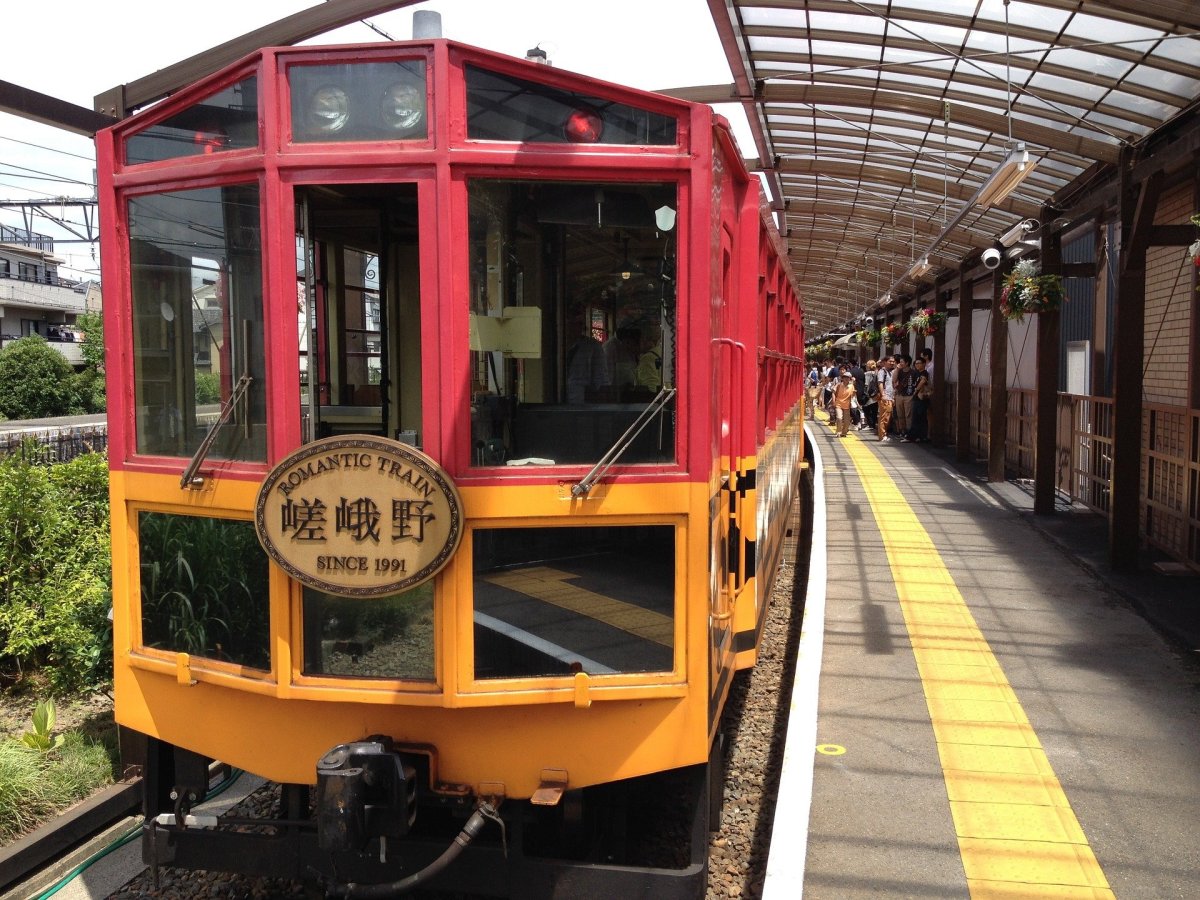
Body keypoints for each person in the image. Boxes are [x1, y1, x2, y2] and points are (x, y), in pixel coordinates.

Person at [565, 312, 606, 403]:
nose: (572, 328)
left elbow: (599, 377)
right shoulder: (556, 345)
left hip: (581, 400)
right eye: (570, 324)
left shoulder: (592, 346)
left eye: (578, 324)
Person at [907, 357, 931, 443]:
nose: (917, 365)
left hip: (921, 397)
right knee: (916, 417)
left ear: (924, 364)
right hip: (916, 397)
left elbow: (923, 381)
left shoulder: (924, 373)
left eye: (919, 363)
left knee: (921, 417)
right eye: (916, 364)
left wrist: (916, 390)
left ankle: (921, 436)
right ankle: (916, 436)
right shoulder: (916, 373)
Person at [892, 354, 915, 438]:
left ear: (907, 363)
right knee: (900, 414)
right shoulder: (899, 371)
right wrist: (897, 369)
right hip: (899, 395)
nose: (900, 363)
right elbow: (894, 380)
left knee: (908, 414)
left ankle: (909, 431)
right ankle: (902, 430)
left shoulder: (913, 372)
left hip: (909, 395)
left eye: (902, 362)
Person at [876, 356, 896, 442]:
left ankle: (884, 434)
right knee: (884, 417)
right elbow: (880, 383)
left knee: (887, 416)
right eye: (890, 361)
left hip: (890, 397)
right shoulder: (882, 371)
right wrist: (883, 394)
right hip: (885, 397)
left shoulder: (890, 372)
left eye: (893, 361)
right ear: (884, 362)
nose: (892, 363)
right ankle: (882, 435)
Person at [831, 371, 856, 437]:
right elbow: (833, 392)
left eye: (848, 378)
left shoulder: (851, 386)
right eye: (845, 377)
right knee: (839, 418)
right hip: (838, 404)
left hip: (847, 405)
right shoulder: (839, 385)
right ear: (842, 378)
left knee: (847, 421)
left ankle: (844, 432)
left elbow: (853, 395)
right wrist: (833, 401)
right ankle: (839, 431)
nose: (846, 379)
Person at [861, 359, 879, 432]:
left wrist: (865, 393)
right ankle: (874, 424)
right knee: (874, 409)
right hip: (876, 393)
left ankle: (870, 424)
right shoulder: (877, 373)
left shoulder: (866, 374)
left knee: (867, 409)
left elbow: (866, 384)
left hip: (869, 394)